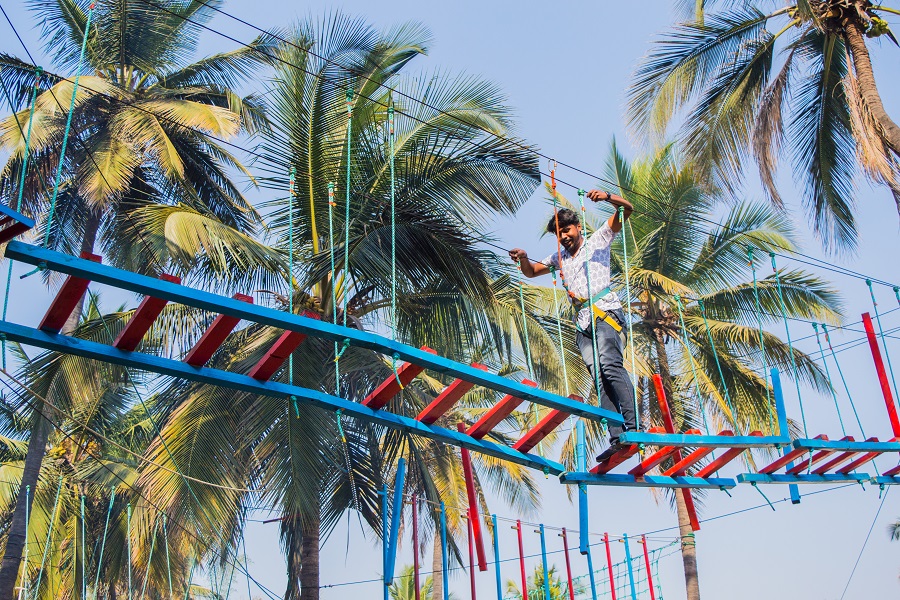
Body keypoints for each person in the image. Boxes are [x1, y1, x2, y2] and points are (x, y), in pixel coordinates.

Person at [509, 190, 637, 463]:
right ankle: (617, 437)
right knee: (600, 377)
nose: (564, 236)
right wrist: (522, 257)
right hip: (583, 322)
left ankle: (634, 428)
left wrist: (607, 198)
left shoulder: (598, 239)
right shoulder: (559, 258)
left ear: (578, 227)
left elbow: (626, 211)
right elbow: (531, 271)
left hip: (605, 312)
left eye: (566, 230)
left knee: (611, 367)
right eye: (559, 234)